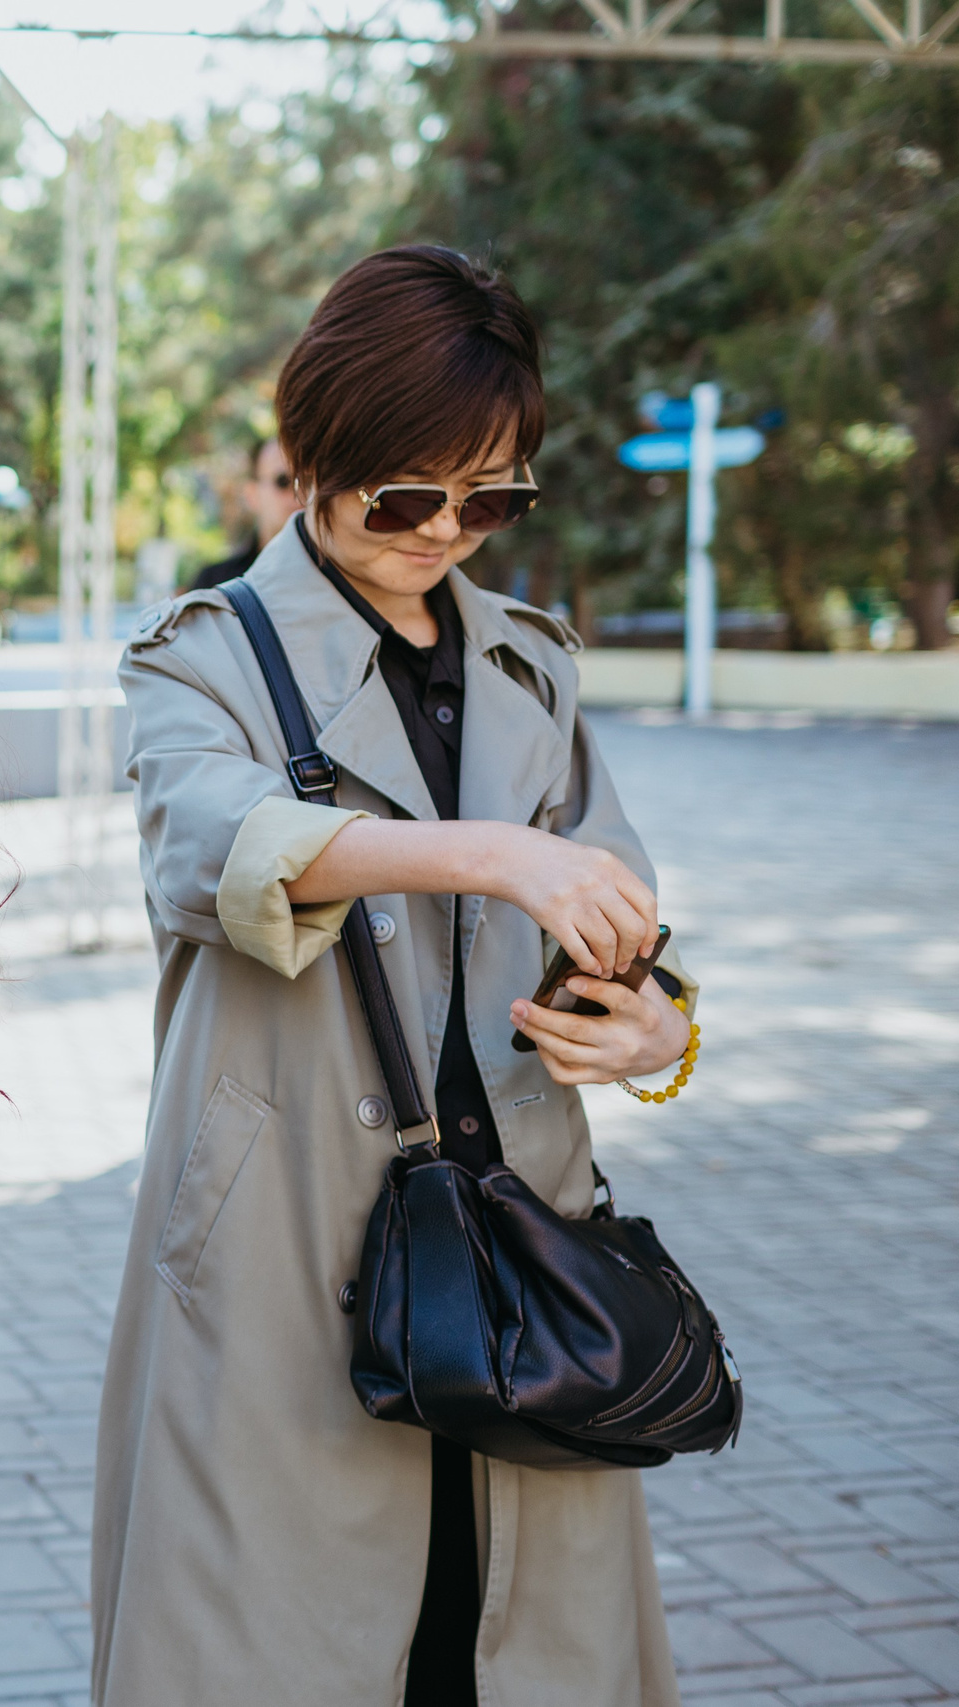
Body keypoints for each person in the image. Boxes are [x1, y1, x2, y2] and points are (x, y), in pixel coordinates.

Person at [90, 246, 699, 1706]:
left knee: (516, 1646)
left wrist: (654, 1033)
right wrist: (490, 853)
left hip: (525, 1260)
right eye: (405, 494)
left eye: (489, 500)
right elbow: (212, 852)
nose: (443, 532)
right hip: (288, 1250)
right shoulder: (203, 657)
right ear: (313, 456)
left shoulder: (531, 667)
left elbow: (621, 927)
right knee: (282, 1641)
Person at [189, 435, 300, 591]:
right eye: (284, 481)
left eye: (309, 481)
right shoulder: (215, 584)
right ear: (252, 495)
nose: (301, 493)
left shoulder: (333, 578)